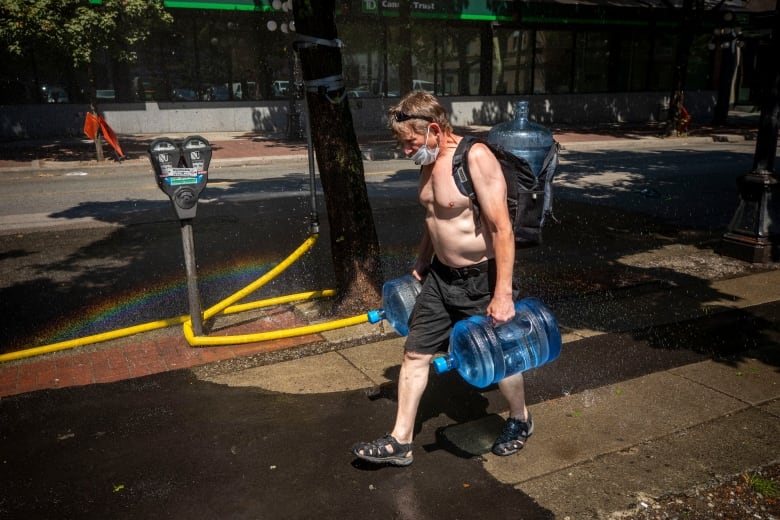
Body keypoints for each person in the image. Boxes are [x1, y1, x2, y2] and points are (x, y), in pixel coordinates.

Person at [351, 91, 532, 466]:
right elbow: (435, 219)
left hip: (481, 278)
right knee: (415, 353)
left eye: (410, 141)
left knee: (500, 356)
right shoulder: (428, 159)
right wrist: (421, 261)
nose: (406, 150)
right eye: (403, 143)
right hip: (439, 277)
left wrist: (503, 294)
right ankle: (400, 441)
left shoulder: (475, 158)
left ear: (433, 129)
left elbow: (502, 229)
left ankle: (520, 418)